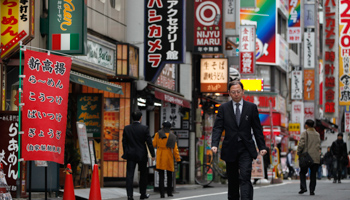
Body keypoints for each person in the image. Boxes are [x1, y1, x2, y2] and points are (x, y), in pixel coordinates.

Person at [211, 81, 267, 200]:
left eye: (238, 92)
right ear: (229, 93)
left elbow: (257, 129)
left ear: (243, 92)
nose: (236, 94)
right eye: (233, 92)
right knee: (233, 180)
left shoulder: (251, 107)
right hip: (230, 148)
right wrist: (214, 144)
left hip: (246, 148)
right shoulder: (223, 108)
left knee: (245, 177)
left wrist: (262, 147)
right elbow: (218, 128)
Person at [122, 111, 155, 200]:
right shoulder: (144, 128)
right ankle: (142, 194)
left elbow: (124, 142)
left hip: (130, 154)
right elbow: (149, 143)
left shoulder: (127, 128)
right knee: (143, 174)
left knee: (129, 175)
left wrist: (126, 152)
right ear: (141, 117)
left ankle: (130, 195)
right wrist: (152, 154)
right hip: (142, 154)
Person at [153, 121, 181, 198]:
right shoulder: (172, 136)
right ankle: (169, 192)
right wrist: (178, 158)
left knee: (161, 175)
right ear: (170, 127)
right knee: (169, 175)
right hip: (169, 156)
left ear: (162, 126)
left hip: (160, 156)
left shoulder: (157, 134)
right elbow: (175, 149)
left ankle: (162, 193)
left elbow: (154, 144)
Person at [297, 119, 321, 196]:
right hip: (315, 157)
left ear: (306, 125)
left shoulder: (305, 133)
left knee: (302, 172)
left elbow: (301, 144)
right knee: (313, 175)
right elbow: (318, 145)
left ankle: (303, 187)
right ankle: (312, 190)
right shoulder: (317, 134)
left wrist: (298, 152)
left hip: (306, 157)